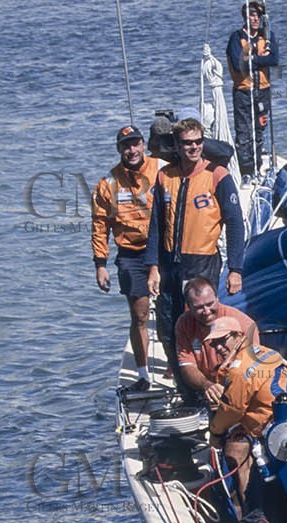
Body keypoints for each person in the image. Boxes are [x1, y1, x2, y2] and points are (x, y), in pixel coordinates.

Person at [145, 117, 246, 353]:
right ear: (177, 147)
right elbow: (155, 226)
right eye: (187, 143)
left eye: (198, 142)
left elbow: (234, 224)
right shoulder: (165, 176)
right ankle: (182, 377)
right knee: (168, 326)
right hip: (170, 264)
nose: (194, 147)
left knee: (202, 323)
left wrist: (236, 269)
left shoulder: (217, 175)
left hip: (202, 262)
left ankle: (207, 378)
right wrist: (152, 267)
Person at [206, 316, 287, 502]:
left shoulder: (239, 369)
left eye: (223, 340)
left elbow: (232, 409)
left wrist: (215, 433)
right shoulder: (266, 352)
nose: (219, 347)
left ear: (238, 336)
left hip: (278, 432)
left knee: (233, 452)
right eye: (214, 344)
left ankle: (248, 510)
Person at [91, 125, 162, 383]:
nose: (132, 150)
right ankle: (143, 375)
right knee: (139, 315)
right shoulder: (108, 183)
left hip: (163, 250)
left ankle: (176, 364)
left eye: (135, 144)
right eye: (126, 146)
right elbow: (100, 226)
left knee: (172, 311)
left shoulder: (160, 170)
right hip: (131, 255)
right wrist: (100, 264)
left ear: (143, 144)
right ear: (119, 149)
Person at [173, 277, 260, 404]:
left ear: (217, 298)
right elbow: (187, 366)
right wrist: (207, 385)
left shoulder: (244, 324)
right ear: (188, 307)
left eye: (210, 304)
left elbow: (252, 370)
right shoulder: (184, 324)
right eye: (199, 307)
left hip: (241, 391)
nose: (206, 311)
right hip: (205, 391)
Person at [227, 0, 279, 179]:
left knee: (259, 131)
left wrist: (252, 58)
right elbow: (237, 63)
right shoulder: (236, 38)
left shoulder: (267, 36)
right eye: (252, 14)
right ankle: (246, 171)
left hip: (263, 92)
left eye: (258, 15)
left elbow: (274, 59)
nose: (255, 18)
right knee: (244, 134)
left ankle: (257, 167)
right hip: (243, 92)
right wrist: (259, 58)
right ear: (246, 17)